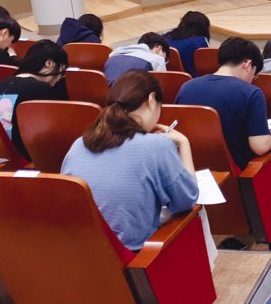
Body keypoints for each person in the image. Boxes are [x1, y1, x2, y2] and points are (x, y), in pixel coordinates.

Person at [61, 70, 199, 252]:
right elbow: (187, 200)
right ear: (152, 99)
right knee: (196, 216)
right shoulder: (157, 145)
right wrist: (183, 143)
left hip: (80, 250)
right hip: (132, 256)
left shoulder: (80, 143)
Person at [175, 37, 271, 171]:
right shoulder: (251, 93)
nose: (252, 80)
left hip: (191, 169)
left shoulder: (186, 87)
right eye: (254, 75)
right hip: (239, 174)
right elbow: (260, 146)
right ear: (248, 65)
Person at [0, 40, 68, 160]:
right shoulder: (41, 90)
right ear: (49, 63)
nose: (59, 78)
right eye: (62, 71)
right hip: (24, 159)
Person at [104, 32, 169, 86]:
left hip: (107, 96)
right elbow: (162, 88)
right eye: (165, 58)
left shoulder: (113, 54)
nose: (164, 62)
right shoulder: (157, 59)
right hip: (133, 97)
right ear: (159, 49)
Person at [165, 11, 211, 76]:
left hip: (168, 78)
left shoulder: (166, 37)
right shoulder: (200, 42)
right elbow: (206, 68)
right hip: (194, 79)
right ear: (203, 27)